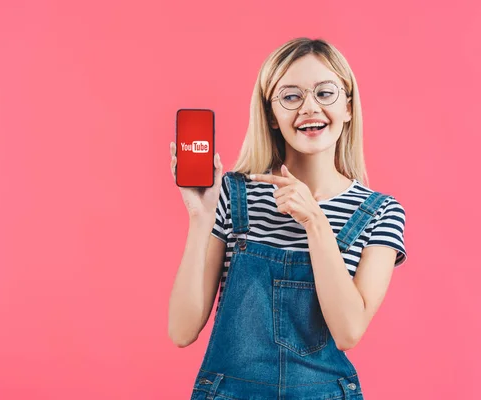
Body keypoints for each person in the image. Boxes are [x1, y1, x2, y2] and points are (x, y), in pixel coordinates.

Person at [168, 37, 407, 400]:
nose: (309, 108)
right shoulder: (232, 195)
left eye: (325, 93)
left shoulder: (381, 212)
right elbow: (181, 331)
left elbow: (348, 331)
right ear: (272, 116)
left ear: (348, 107)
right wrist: (201, 218)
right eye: (291, 96)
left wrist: (315, 221)